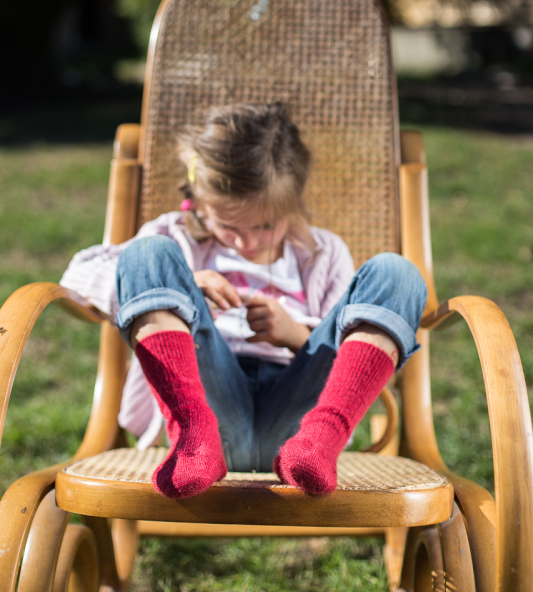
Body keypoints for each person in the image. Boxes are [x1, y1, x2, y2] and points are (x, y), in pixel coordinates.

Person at [60, 103, 427, 500]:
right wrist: (181, 288)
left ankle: (324, 436)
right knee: (148, 254)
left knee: (398, 273)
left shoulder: (323, 252)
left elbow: (347, 350)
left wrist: (297, 334)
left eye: (265, 226)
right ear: (199, 203)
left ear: (293, 204)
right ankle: (193, 436)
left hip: (298, 418)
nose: (246, 242)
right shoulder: (175, 234)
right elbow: (78, 274)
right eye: (228, 226)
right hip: (210, 407)